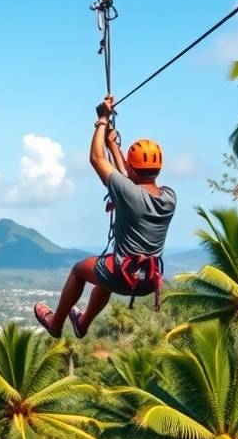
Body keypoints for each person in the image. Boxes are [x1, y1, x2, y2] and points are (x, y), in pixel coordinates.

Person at [34, 95, 177, 339]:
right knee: (104, 269)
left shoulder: (129, 192)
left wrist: (101, 120)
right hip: (149, 281)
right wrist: (113, 144)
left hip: (123, 275)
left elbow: (96, 160)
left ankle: (55, 323)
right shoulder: (169, 197)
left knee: (80, 270)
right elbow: (129, 179)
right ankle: (82, 322)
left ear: (131, 168)